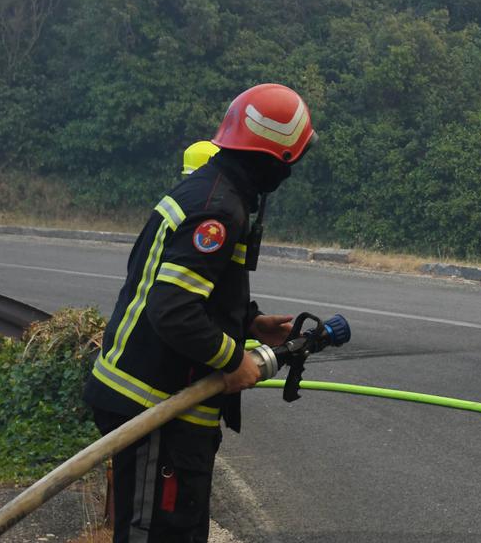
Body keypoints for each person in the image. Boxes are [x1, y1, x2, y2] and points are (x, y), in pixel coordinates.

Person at [84, 84, 314, 542]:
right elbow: (173, 309)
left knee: (179, 531)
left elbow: (192, 288)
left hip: (162, 403)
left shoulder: (214, 190)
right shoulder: (218, 208)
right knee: (158, 535)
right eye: (292, 159)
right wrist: (234, 360)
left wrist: (249, 321)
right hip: (154, 406)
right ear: (276, 158)